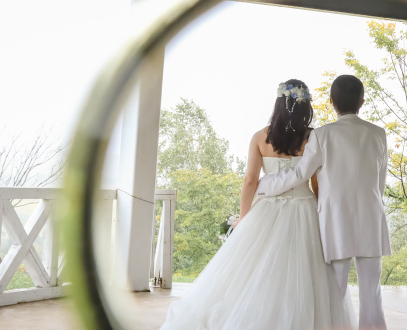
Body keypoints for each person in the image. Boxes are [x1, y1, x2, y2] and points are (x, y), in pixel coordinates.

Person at [159, 79, 356, 330]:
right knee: (304, 274)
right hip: (304, 208)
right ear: (306, 107)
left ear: (278, 104)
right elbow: (316, 183)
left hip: (266, 210)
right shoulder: (312, 137)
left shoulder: (259, 137)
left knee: (257, 272)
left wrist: (244, 218)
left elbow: (250, 180)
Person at [256, 75, 391, 330]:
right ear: (363, 99)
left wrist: (265, 185)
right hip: (371, 218)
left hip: (336, 220)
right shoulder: (378, 134)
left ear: (331, 102)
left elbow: (299, 175)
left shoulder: (322, 135)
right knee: (372, 292)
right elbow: (379, 182)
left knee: (335, 291)